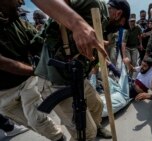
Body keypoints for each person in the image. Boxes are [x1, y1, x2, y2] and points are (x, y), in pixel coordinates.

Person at [32, 0, 130, 140]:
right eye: (122, 23)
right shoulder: (92, 4)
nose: (120, 27)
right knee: (86, 133)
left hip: (76, 76)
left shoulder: (104, 25)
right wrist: (76, 24)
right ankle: (88, 134)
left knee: (97, 105)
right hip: (55, 78)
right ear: (118, 14)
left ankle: (97, 128)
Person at [0, 0, 65, 140]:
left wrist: (52, 34)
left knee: (37, 120)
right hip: (3, 94)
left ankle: (60, 139)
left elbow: (36, 43)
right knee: (32, 123)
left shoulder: (17, 22)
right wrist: (36, 70)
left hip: (26, 81)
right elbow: (3, 63)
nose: (22, 2)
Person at [121, 13, 142, 78]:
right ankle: (126, 75)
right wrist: (124, 57)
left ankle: (130, 77)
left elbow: (140, 36)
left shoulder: (138, 27)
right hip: (127, 47)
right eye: (131, 21)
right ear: (128, 21)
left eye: (133, 21)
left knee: (134, 62)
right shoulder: (126, 30)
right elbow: (123, 44)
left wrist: (141, 44)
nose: (132, 23)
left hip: (134, 47)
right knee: (128, 61)